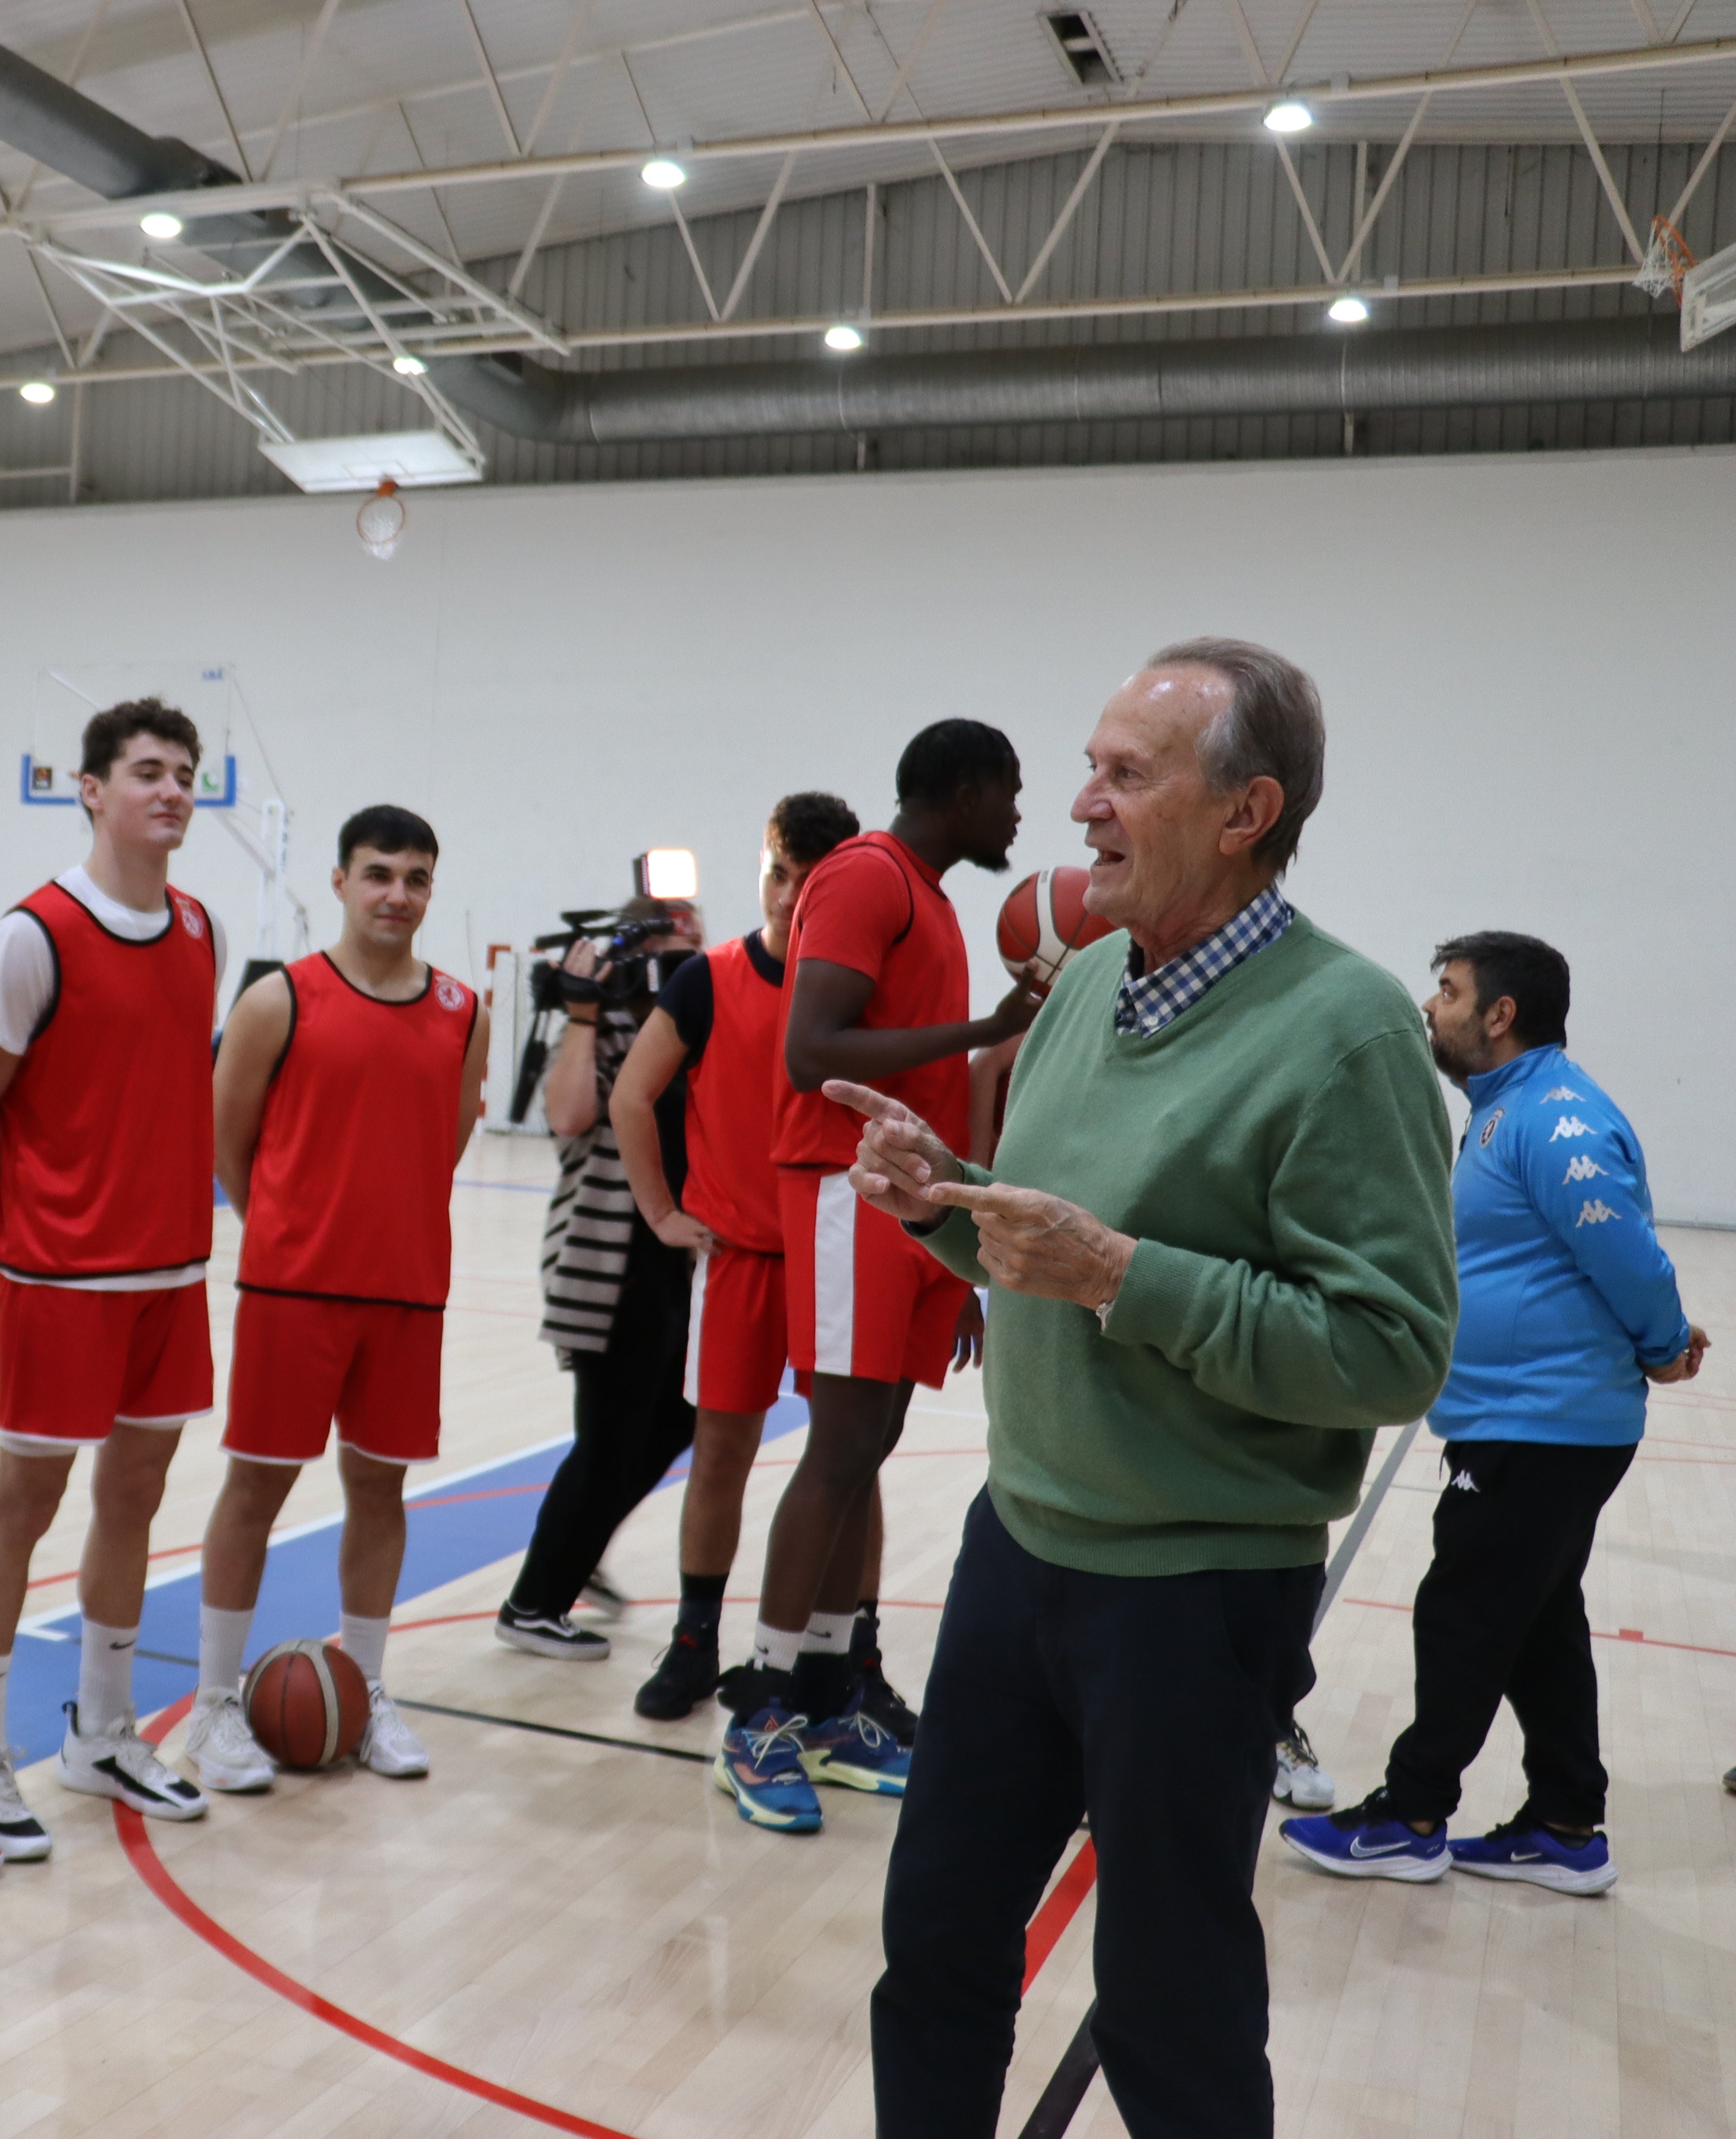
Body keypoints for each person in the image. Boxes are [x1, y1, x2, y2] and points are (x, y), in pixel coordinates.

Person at [845, 638, 1455, 2139]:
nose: (1080, 806)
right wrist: (944, 1199)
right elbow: (1050, 1242)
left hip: (1193, 1594)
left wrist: (1124, 1274)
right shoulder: (1088, 982)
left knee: (1174, 2007)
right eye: (1091, 767)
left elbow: (1389, 1351)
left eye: (1125, 775)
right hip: (1019, 1553)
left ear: (1246, 811)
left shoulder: (1351, 1030)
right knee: (932, 1951)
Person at [1280, 932, 1704, 1896]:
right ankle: (1565, 1823)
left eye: (1449, 991)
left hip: (1543, 1425)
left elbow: (1627, 1255)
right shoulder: (1506, 1110)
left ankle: (1411, 1814)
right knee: (1539, 1621)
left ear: (1500, 1015)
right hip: (1523, 1420)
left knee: (1464, 1614)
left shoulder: (1556, 1122)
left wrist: (1664, 1339)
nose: (1432, 1008)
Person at [716, 722, 1032, 1832]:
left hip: (907, 1202)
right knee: (843, 1444)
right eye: (1010, 792)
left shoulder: (931, 898)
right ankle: (756, 1707)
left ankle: (824, 1688)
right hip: (847, 1186)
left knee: (871, 1443)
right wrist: (983, 1025)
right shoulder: (864, 875)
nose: (1019, 814)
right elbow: (811, 1049)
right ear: (960, 787)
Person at [0, 698, 219, 1847]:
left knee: (138, 1495)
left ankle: (102, 1733)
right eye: (147, 771)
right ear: (91, 790)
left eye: (186, 774)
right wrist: (15, 1218)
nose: (170, 790)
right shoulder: (34, 933)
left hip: (173, 1266)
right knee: (28, 1496)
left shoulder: (200, 924)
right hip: (60, 1271)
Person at [604, 793, 938, 1733]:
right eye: (781, 874)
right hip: (747, 1257)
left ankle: (853, 1654)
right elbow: (634, 1097)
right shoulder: (709, 980)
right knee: (722, 1455)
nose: (794, 896)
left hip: (843, 1243)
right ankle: (695, 1641)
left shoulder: (858, 987)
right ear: (764, 870)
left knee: (853, 1458)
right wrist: (663, 1212)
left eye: (812, 880)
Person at [182, 806, 489, 1790]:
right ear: (341, 882)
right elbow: (228, 1144)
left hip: (406, 1289)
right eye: (378, 875)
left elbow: (445, 1141)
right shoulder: (282, 1000)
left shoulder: (463, 1010)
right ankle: (215, 1703)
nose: (397, 894)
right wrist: (286, 1224)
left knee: (380, 1488)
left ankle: (364, 1688)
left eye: (415, 878)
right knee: (256, 1492)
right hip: (294, 1286)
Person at [493, 892, 701, 1660]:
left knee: (677, 1420)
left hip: (678, 1255)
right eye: (674, 933)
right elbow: (570, 1116)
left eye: (696, 933)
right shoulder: (616, 1022)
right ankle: (533, 1603)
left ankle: (575, 1555)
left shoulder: (696, 1025)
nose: (689, 949)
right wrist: (584, 1015)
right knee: (609, 1436)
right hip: (608, 1256)